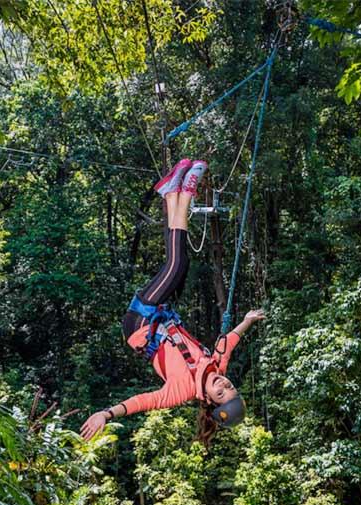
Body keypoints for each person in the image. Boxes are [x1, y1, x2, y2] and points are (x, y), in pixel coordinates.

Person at [80, 158, 265, 444]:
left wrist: (107, 414)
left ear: (209, 401)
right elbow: (227, 343)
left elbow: (144, 401)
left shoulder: (181, 391)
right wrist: (247, 322)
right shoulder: (216, 366)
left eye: (221, 393)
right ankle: (172, 194)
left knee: (177, 266)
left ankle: (181, 193)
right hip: (161, 316)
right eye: (230, 387)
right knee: (179, 263)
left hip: (142, 326)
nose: (224, 385)